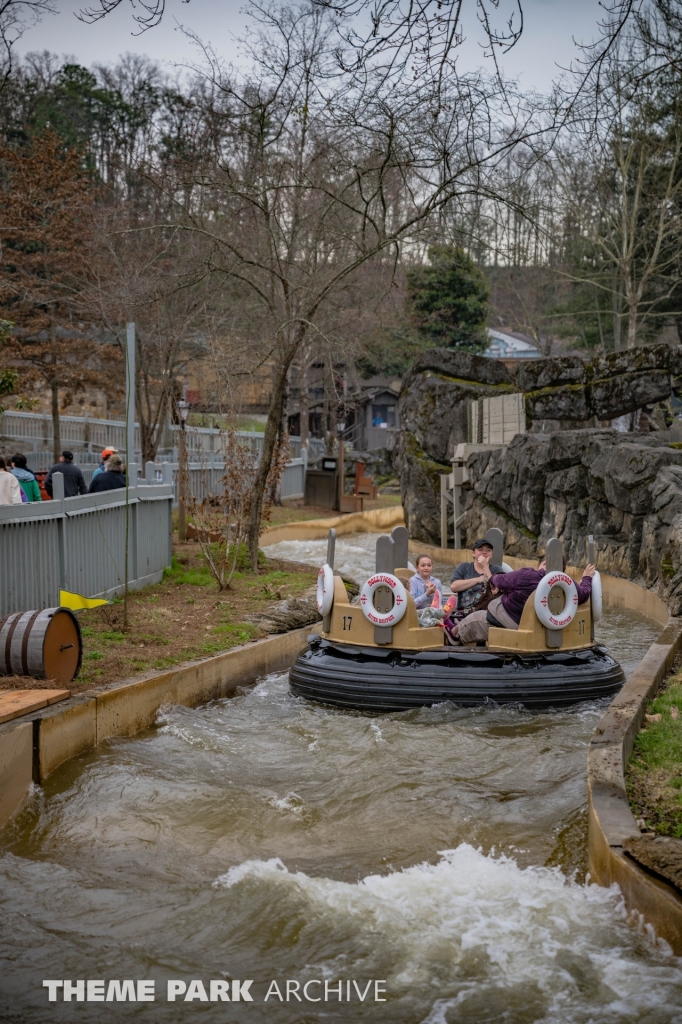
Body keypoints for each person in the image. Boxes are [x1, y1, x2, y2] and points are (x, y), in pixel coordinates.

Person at [457, 556, 596, 645]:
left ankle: (454, 637)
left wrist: (487, 569)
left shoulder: (526, 574)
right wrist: (587, 578)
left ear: (544, 563)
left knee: (470, 621)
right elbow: (583, 594)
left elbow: (497, 581)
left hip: (508, 619)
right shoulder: (567, 584)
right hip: (539, 628)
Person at [449, 539, 504, 614]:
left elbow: (494, 590)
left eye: (488, 550)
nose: (484, 552)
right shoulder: (464, 567)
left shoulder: (497, 570)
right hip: (464, 612)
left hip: (487, 612)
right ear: (473, 553)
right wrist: (478, 580)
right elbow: (453, 587)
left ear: (491, 554)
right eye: (480, 549)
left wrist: (485, 567)